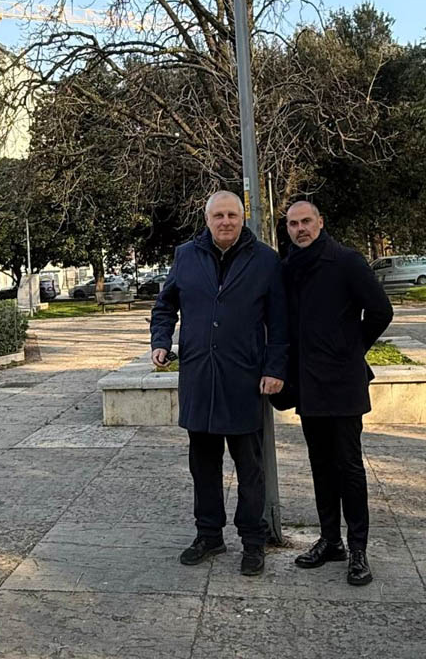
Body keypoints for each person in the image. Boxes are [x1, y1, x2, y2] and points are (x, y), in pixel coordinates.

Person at [151, 190, 287, 576]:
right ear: (207, 219)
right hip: (199, 378)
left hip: (244, 380)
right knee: (203, 466)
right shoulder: (185, 255)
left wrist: (275, 368)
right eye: (218, 216)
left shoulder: (265, 260)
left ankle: (253, 541)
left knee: (250, 469)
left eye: (232, 215)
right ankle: (208, 534)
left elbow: (279, 323)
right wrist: (161, 342)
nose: (225, 221)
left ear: (243, 218)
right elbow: (165, 306)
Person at [281, 200, 393, 587]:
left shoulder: (346, 260)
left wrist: (350, 349)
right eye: (293, 224)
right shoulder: (290, 267)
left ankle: (358, 548)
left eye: (306, 221)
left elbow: (381, 312)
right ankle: (330, 540)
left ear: (321, 222)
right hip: (308, 385)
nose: (300, 229)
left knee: (348, 467)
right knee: (320, 466)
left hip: (343, 384)